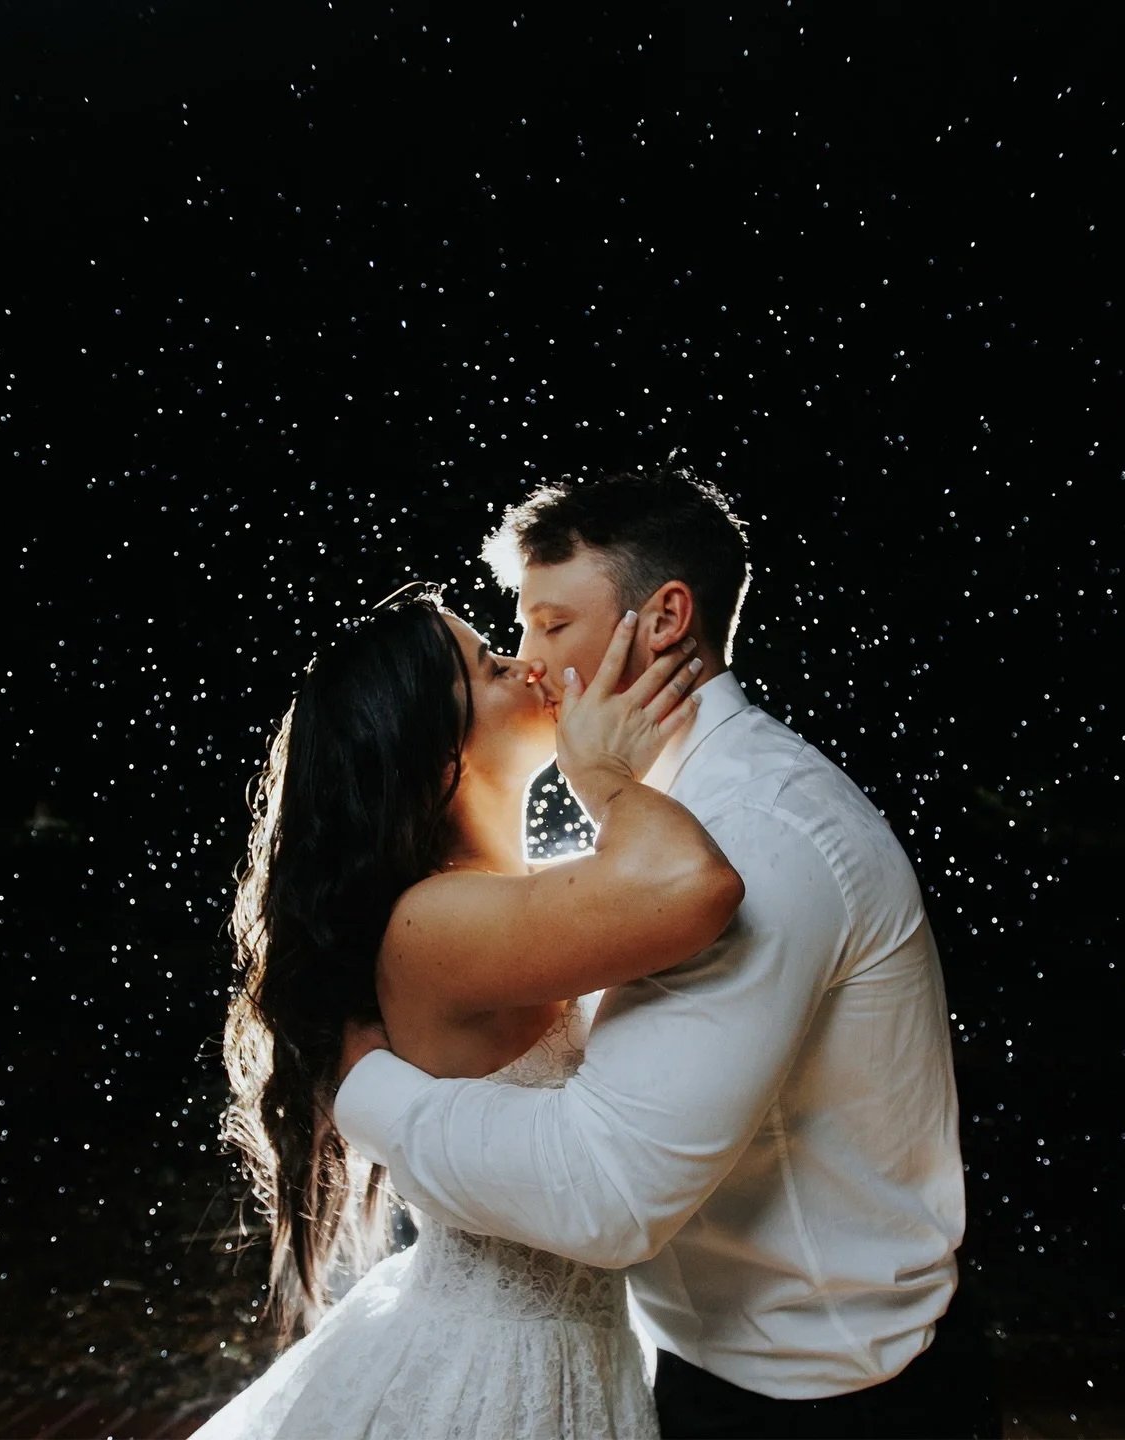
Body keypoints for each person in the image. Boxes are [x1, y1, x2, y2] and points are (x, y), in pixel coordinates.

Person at [336, 464, 1001, 1439]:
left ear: (663, 619)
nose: (530, 660)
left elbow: (610, 1191)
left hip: (831, 1398)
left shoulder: (762, 835)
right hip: (699, 1364)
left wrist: (364, 1092)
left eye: (554, 624)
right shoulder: (661, 827)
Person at [195, 586, 742, 1440]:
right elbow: (694, 884)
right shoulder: (435, 921)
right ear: (434, 749)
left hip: (575, 1350)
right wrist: (603, 773)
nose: (528, 665)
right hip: (492, 1374)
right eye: (491, 665)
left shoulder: (504, 903)